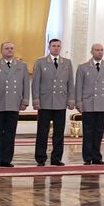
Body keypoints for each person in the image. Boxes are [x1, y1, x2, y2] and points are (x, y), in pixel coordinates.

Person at [0, 41, 29, 168]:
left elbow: (25, 84)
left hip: (14, 103)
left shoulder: (22, 66)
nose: (9, 50)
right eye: (7, 48)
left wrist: (25, 101)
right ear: (1, 51)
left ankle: (7, 159)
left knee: (10, 133)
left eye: (12, 48)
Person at [32, 38, 73, 166]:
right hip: (45, 102)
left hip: (60, 102)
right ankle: (40, 158)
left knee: (59, 132)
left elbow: (70, 83)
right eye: (54, 46)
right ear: (49, 47)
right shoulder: (41, 62)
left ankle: (56, 158)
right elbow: (35, 83)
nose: (56, 48)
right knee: (42, 132)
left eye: (58, 46)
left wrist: (71, 99)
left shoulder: (67, 63)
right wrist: (36, 99)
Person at [76, 43, 104, 165]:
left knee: (99, 131)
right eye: (97, 50)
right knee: (88, 131)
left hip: (102, 103)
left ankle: (96, 156)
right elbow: (79, 86)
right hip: (88, 103)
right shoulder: (83, 67)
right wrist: (79, 102)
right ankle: (87, 157)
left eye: (102, 50)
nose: (100, 52)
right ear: (91, 52)